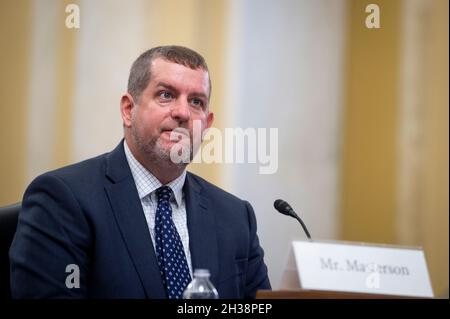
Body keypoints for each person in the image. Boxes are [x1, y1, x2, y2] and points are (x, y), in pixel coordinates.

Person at [9, 45, 271, 298]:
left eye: (196, 101)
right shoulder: (63, 200)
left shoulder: (236, 217)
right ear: (128, 109)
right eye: (166, 95)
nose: (182, 112)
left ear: (207, 123)